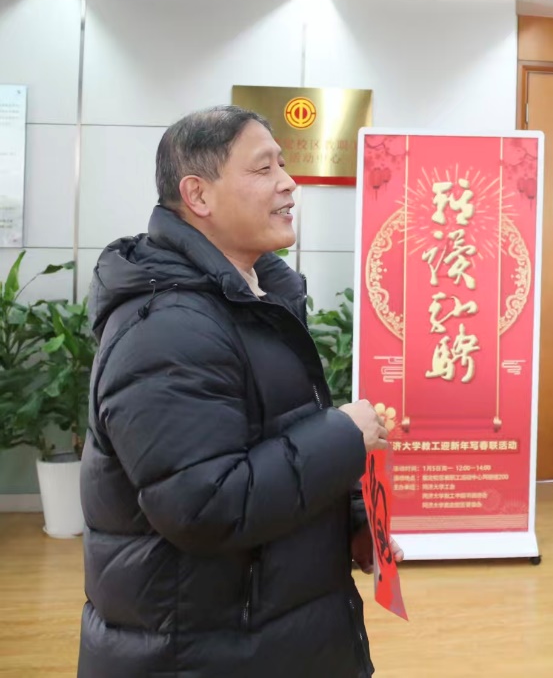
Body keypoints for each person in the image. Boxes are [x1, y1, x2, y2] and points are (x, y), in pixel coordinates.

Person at [78, 106, 396, 678]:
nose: (289, 183)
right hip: (200, 653)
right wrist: (345, 436)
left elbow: (277, 435)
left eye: (284, 165)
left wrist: (348, 518)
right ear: (198, 195)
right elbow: (204, 504)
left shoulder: (257, 299)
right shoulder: (167, 328)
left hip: (272, 634)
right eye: (263, 168)